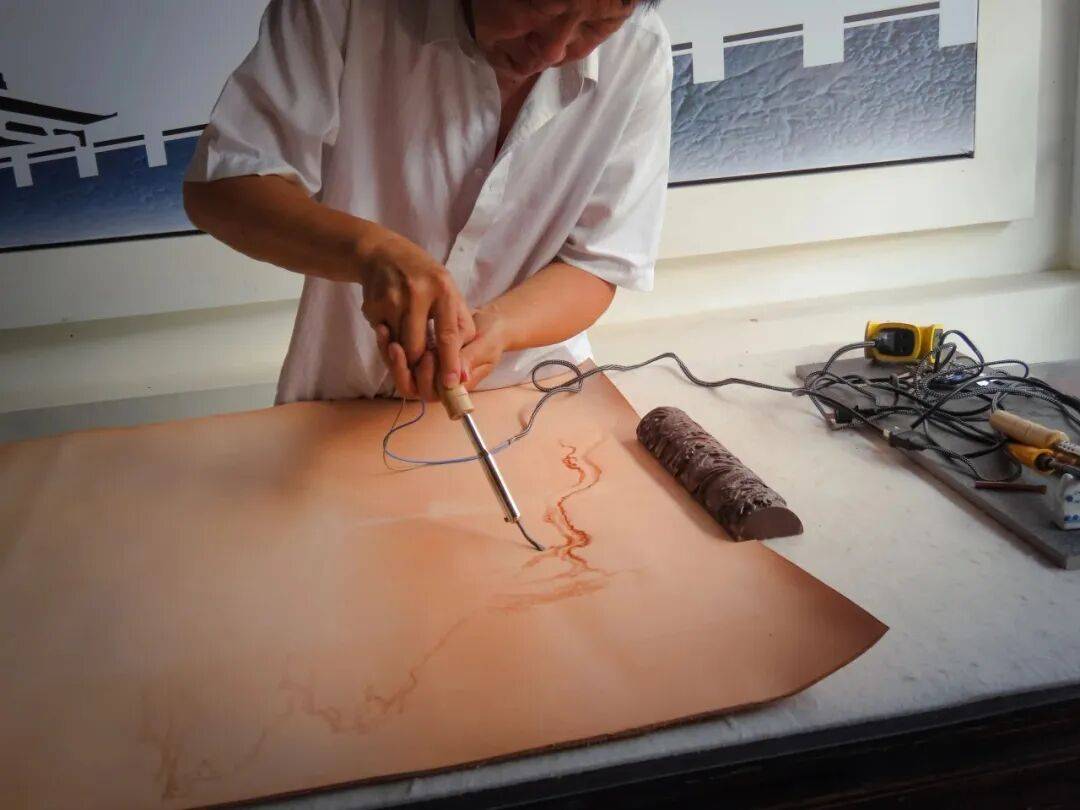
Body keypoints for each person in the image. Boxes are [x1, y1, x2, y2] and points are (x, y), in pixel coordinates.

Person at [184, 0, 671, 404]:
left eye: (596, 25)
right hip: (346, 396)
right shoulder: (345, 9)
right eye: (538, 7)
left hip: (531, 391)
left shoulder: (639, 51)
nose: (553, 50)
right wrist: (371, 252)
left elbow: (597, 262)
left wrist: (496, 330)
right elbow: (223, 186)